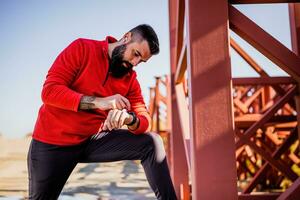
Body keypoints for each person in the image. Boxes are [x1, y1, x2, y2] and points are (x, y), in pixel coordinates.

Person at [27, 24, 177, 200]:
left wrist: (129, 119)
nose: (135, 63)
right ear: (126, 37)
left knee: (152, 142)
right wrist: (100, 103)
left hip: (93, 141)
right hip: (53, 142)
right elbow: (50, 91)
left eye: (141, 61)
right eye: (136, 54)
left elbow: (144, 118)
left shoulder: (130, 79)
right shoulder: (82, 48)